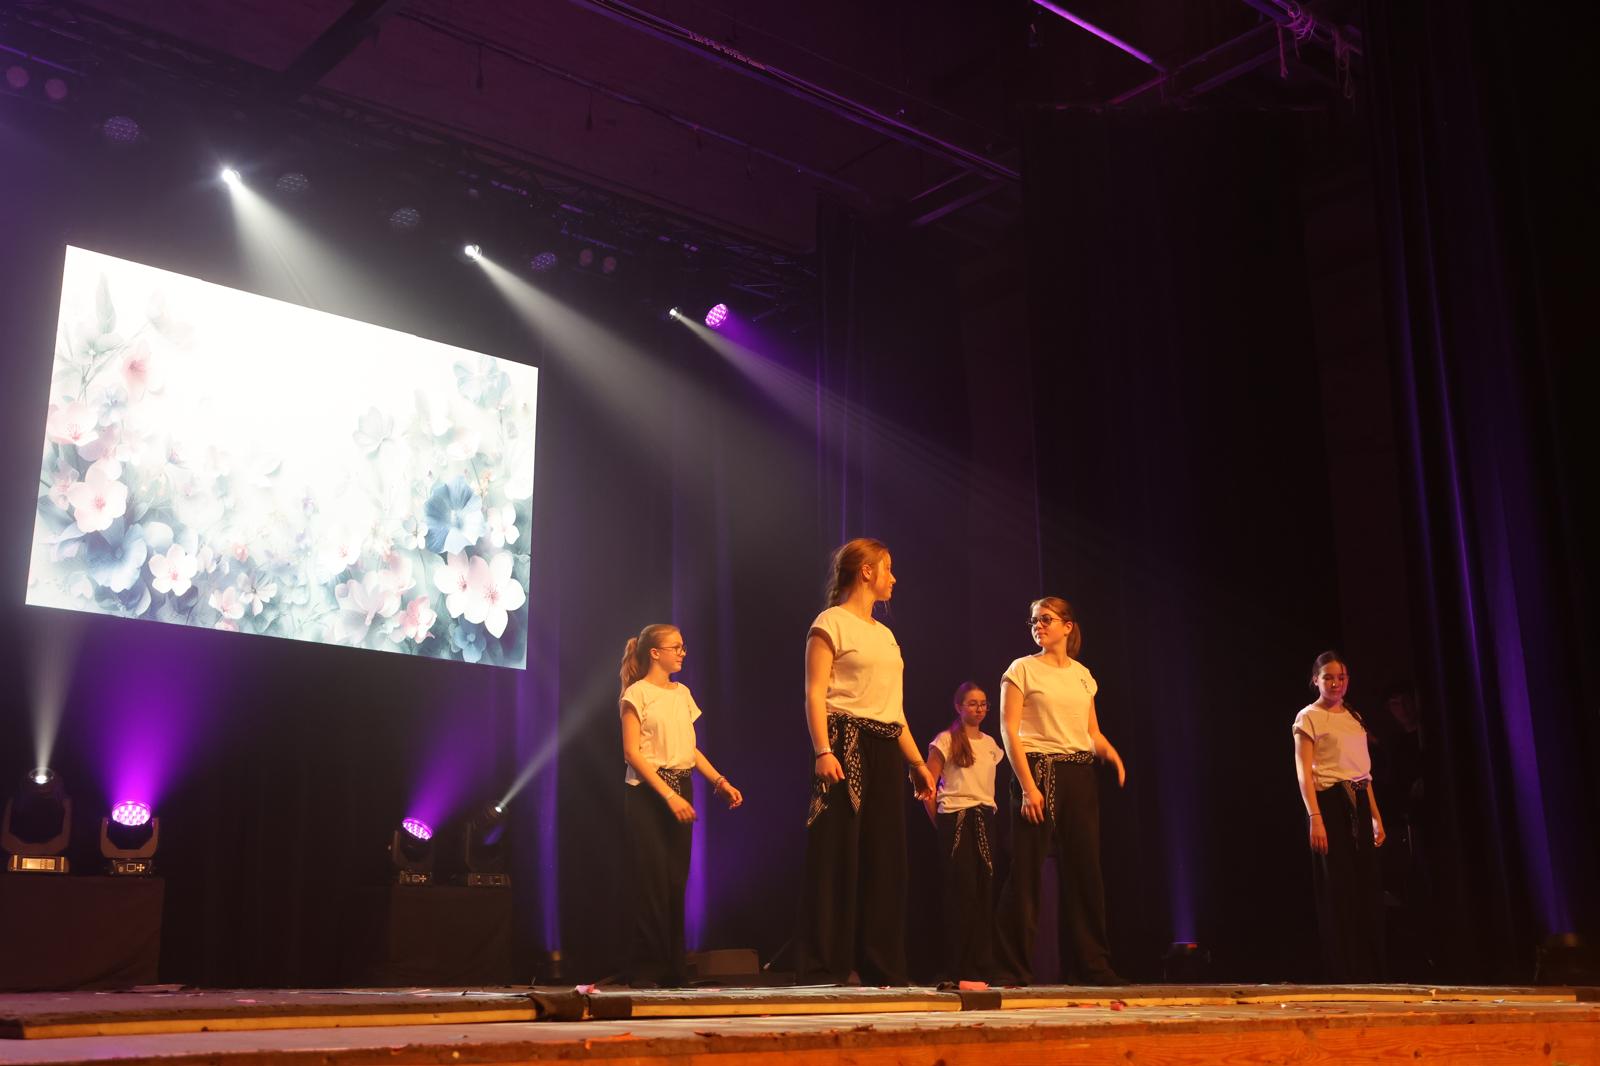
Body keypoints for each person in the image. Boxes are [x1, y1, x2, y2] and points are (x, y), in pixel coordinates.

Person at [795, 537, 936, 985]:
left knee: (886, 857)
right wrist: (823, 750)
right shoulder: (830, 623)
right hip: (843, 742)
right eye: (887, 568)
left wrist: (917, 764)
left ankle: (881, 965)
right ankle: (826, 965)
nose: (894, 578)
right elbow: (815, 694)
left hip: (885, 746)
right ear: (867, 572)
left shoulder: (885, 635)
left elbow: (894, 710)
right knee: (837, 854)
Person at [994, 596, 1127, 986]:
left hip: (1078, 773)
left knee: (1085, 871)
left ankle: (1093, 966)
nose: (1038, 626)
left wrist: (1110, 753)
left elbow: (1091, 732)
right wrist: (1028, 787)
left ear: (1068, 626)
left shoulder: (1083, 675)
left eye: (1046, 619)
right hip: (1038, 770)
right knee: (1027, 872)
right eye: (1034, 621)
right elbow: (1009, 730)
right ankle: (1010, 968)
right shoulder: (1021, 669)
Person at [618, 623, 743, 987]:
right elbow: (632, 753)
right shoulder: (637, 694)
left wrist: (719, 781)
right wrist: (668, 795)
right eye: (676, 647)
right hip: (647, 792)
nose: (683, 653)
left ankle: (673, 969)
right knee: (652, 881)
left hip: (681, 787)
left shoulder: (683, 693)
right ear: (655, 653)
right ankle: (647, 969)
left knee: (675, 881)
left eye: (683, 647)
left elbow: (689, 748)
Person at [1293, 650, 1385, 982]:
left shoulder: (1353, 716)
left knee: (1365, 887)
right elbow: (1304, 772)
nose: (1336, 683)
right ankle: (1343, 972)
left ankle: (1371, 970)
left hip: (1358, 801)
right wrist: (1314, 816)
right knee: (1339, 887)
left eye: (1341, 677)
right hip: (1329, 803)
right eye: (1328, 677)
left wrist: (1375, 816)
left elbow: (1363, 774)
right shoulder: (1308, 717)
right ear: (1315, 680)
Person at [923, 682, 1006, 985]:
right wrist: (941, 822)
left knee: (984, 891)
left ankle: (980, 965)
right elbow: (927, 786)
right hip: (956, 817)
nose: (979, 708)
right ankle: (956, 966)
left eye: (983, 703)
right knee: (961, 892)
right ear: (958, 706)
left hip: (984, 818)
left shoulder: (991, 744)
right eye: (972, 703)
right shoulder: (946, 740)